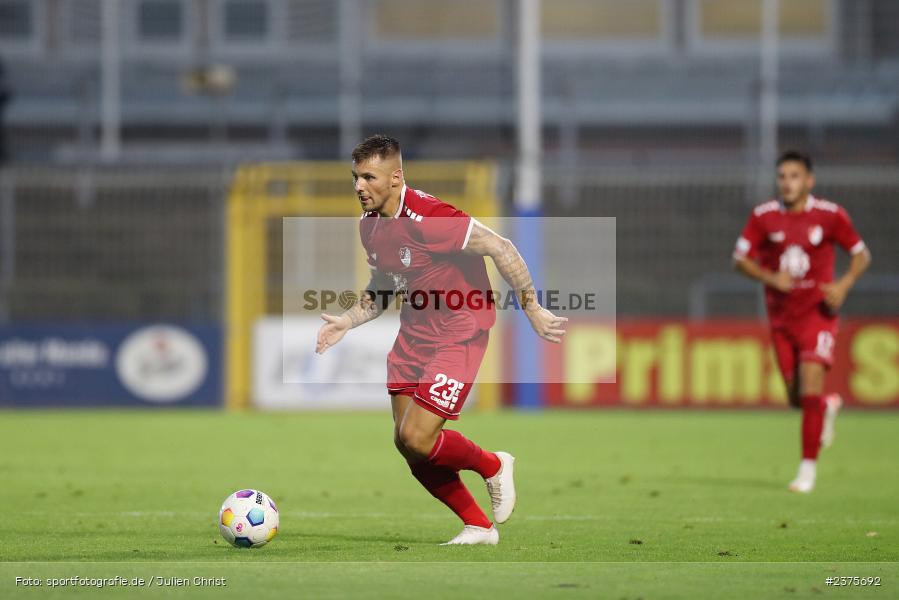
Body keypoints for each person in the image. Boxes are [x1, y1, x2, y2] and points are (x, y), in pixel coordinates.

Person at [316, 134, 567, 544]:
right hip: (413, 336)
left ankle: (492, 465)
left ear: (396, 177)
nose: (359, 186)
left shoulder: (431, 217)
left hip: (459, 332)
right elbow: (382, 287)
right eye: (355, 177)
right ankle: (478, 527)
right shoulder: (370, 227)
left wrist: (532, 306)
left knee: (419, 435)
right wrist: (347, 320)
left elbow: (500, 247)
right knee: (406, 444)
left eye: (368, 177)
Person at [732, 150, 871, 493]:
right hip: (781, 318)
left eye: (794, 176)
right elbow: (739, 259)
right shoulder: (763, 217)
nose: (788, 183)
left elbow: (861, 255)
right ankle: (828, 405)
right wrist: (769, 277)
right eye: (782, 177)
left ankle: (806, 472)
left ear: (809, 180)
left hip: (818, 314)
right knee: (798, 399)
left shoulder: (830, 215)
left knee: (810, 385)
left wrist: (843, 285)